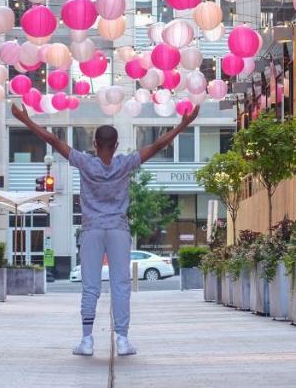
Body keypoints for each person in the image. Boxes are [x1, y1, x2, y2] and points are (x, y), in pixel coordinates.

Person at [11, 103, 200, 357]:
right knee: (120, 284)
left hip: (91, 229)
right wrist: (183, 124)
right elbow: (157, 146)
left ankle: (87, 340)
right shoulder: (125, 163)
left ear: (94, 142)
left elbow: (53, 140)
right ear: (117, 144)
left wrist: (26, 119)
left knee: (90, 285)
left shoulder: (85, 163)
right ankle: (122, 339)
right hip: (118, 229)